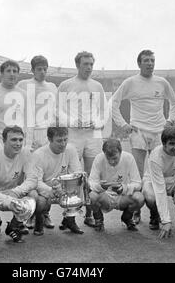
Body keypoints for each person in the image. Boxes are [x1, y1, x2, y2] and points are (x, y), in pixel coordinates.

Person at [112, 49, 175, 224]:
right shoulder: (130, 82)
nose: (150, 63)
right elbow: (114, 102)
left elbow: (174, 102)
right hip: (138, 132)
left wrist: (170, 120)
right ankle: (136, 211)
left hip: (159, 132)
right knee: (138, 174)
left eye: (152, 60)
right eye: (146, 60)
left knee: (156, 173)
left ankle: (155, 212)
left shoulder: (162, 82)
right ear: (139, 63)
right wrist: (123, 124)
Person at [57, 51, 108, 228]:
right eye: (85, 64)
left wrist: (97, 122)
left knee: (92, 174)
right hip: (73, 134)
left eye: (91, 64)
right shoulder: (66, 85)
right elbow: (58, 110)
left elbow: (103, 111)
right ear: (77, 65)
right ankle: (69, 216)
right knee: (71, 176)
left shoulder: (98, 86)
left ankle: (90, 214)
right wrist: (73, 122)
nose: (89, 67)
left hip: (93, 135)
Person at [0, 60, 32, 236]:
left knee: (18, 182)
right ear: (1, 73)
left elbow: (28, 120)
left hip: (19, 143)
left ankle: (17, 220)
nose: (12, 74)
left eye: (15, 71)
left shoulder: (23, 94)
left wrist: (27, 142)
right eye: (9, 70)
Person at [17, 55, 57, 229]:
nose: (42, 72)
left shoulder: (52, 87)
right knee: (29, 175)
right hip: (29, 133)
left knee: (45, 174)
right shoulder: (23, 85)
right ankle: (28, 214)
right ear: (32, 70)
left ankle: (44, 213)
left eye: (45, 68)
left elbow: (55, 111)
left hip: (46, 133)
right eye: (39, 69)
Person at [30, 126, 85, 235]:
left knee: (83, 188)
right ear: (50, 140)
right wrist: (50, 190)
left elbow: (77, 173)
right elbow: (36, 182)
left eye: (65, 139)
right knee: (39, 200)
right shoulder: (39, 155)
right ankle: (39, 222)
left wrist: (65, 187)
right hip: (45, 189)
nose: (63, 143)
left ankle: (69, 220)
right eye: (59, 141)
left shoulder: (71, 150)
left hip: (63, 188)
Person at [88, 139, 144, 232]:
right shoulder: (99, 158)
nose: (111, 162)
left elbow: (138, 183)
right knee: (90, 197)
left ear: (121, 152)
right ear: (104, 153)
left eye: (114, 158)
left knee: (139, 198)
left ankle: (127, 218)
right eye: (108, 158)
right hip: (105, 196)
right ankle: (98, 219)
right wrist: (101, 186)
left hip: (122, 196)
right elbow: (91, 183)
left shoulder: (128, 158)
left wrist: (124, 188)